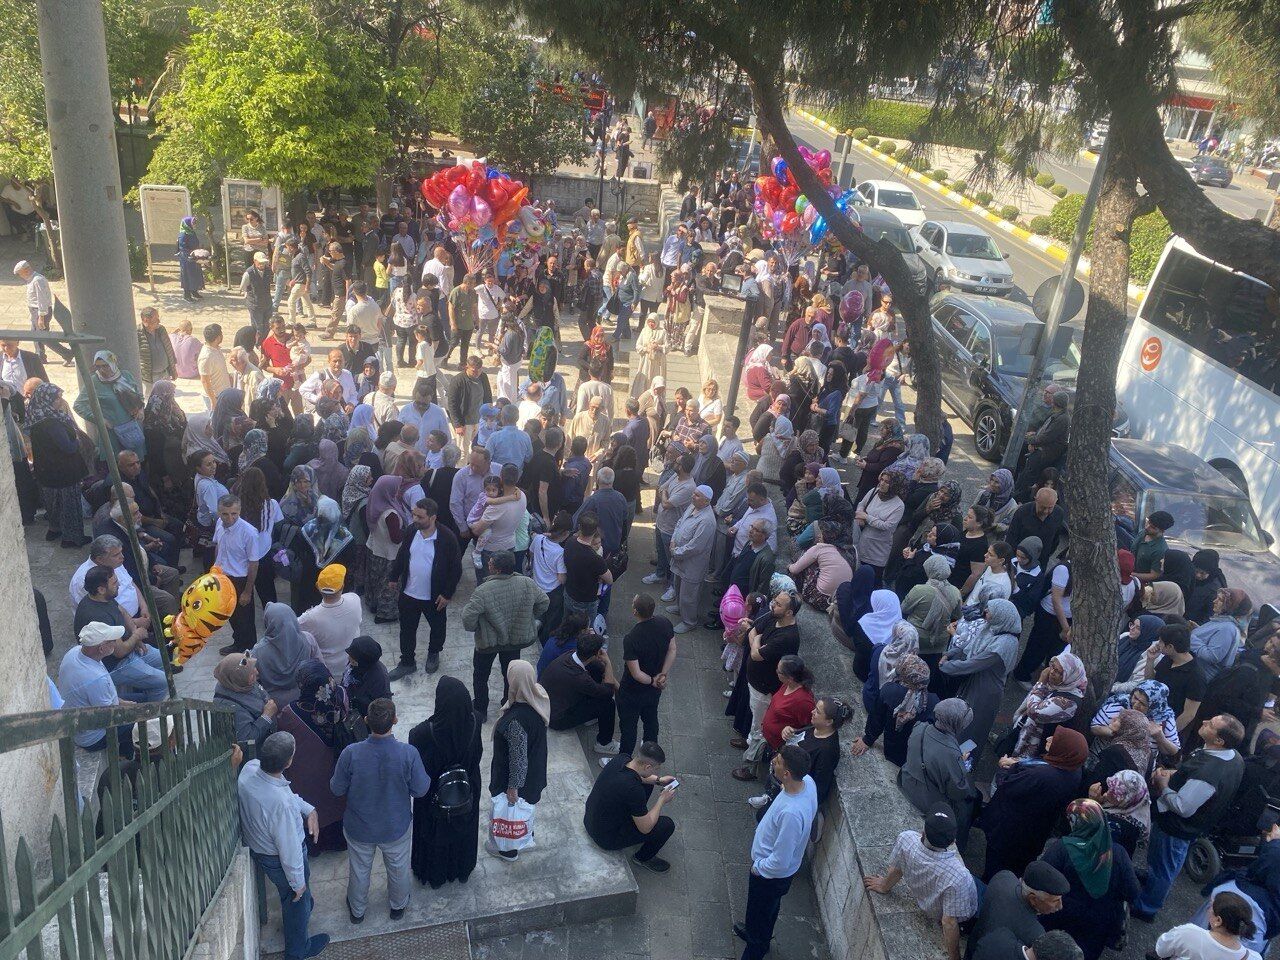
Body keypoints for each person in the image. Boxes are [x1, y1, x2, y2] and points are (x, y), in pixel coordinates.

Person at [1132, 714, 1247, 920]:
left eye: (1210, 724)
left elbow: (1182, 807)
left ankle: (1146, 907)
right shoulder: (1233, 757)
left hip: (1176, 827)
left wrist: (1163, 785)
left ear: (1219, 740)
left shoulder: (1209, 774)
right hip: (1196, 825)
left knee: (1164, 867)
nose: (1204, 721)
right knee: (1165, 863)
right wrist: (1174, 773)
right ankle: (1150, 878)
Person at [329, 698, 429, 923]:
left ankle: (357, 911)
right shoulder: (408, 753)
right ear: (395, 720)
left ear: (366, 721)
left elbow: (336, 789)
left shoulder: (350, 753)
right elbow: (421, 789)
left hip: (359, 828)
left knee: (359, 870)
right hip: (396, 827)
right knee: (398, 868)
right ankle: (398, 907)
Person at [237, 732, 330, 960]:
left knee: (299, 898)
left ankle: (304, 905)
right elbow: (290, 852)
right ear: (289, 762)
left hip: (260, 848)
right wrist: (298, 884)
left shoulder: (250, 768)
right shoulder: (282, 806)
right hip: (278, 858)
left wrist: (309, 809)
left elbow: (286, 792)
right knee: (295, 898)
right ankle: (298, 951)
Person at [863, 803, 979, 960]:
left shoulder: (906, 839)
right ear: (952, 842)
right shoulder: (959, 876)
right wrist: (955, 957)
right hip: (966, 916)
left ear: (923, 832)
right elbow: (949, 922)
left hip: (930, 904)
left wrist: (884, 885)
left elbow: (897, 869)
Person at [734, 745, 818, 960]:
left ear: (787, 774)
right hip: (778, 875)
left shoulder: (791, 813)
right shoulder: (807, 782)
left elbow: (780, 860)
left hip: (769, 876)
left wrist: (758, 868)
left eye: (778, 762)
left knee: (759, 915)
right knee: (767, 911)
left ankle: (754, 949)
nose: (773, 761)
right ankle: (760, 938)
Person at [1038, 798, 1141, 960]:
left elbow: (1041, 878)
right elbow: (1133, 892)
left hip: (1058, 915)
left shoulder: (1062, 847)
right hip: (1098, 923)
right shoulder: (1118, 853)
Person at [981, 729, 1089, 881]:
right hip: (1034, 833)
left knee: (996, 870)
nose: (1048, 738)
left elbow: (1006, 785)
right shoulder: (1072, 769)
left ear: (1064, 749)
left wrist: (1004, 768)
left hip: (1010, 831)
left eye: (1055, 740)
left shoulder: (1041, 776)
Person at [409, 676, 483, 887]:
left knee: (435, 835)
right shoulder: (476, 721)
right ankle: (462, 868)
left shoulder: (421, 733)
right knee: (464, 830)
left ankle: (434, 874)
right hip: (467, 786)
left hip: (434, 794)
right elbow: (477, 754)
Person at [463, 550, 549, 716]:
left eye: (490, 564)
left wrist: (478, 628)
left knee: (481, 675)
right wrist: (529, 617)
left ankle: (480, 708)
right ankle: (507, 703)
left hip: (488, 644)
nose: (488, 565)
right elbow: (544, 602)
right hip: (515, 641)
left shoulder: (483, 590)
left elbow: (468, 620)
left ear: (497, 570)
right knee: (510, 674)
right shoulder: (526, 583)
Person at [939, 598, 1023, 766]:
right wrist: (948, 654)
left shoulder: (1005, 644)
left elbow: (974, 663)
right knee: (962, 720)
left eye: (989, 611)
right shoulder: (992, 628)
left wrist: (946, 666)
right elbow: (968, 646)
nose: (985, 613)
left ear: (1001, 616)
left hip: (985, 692)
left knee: (973, 727)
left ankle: (963, 763)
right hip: (975, 683)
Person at [387, 498, 462, 679]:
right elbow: (403, 554)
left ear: (433, 517)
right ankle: (407, 662)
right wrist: (393, 577)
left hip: (434, 596)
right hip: (409, 594)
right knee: (406, 629)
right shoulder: (412, 531)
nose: (415, 519)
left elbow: (456, 569)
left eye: (420, 517)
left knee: (437, 627)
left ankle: (433, 653)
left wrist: (447, 594)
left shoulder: (447, 538)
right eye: (414, 515)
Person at [57, 622, 127, 814]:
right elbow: (111, 716)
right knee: (138, 724)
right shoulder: (95, 679)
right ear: (102, 648)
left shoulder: (75, 653)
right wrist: (133, 710)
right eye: (112, 641)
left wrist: (125, 703)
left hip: (82, 722)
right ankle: (129, 763)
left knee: (139, 706)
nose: (115, 643)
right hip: (93, 737)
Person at [488, 661, 550, 862]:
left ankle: (509, 850)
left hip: (518, 783)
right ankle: (526, 833)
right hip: (535, 773)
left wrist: (513, 788)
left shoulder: (515, 721)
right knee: (526, 811)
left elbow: (518, 758)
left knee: (512, 814)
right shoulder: (538, 698)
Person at [584, 741, 678, 873]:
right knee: (666, 825)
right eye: (656, 768)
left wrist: (659, 780)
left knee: (648, 784)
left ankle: (638, 815)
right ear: (647, 767)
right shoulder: (633, 790)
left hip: (591, 819)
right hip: (605, 837)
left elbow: (640, 777)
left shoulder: (621, 759)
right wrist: (662, 800)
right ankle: (643, 858)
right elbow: (645, 829)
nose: (657, 771)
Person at [966, 861, 1071, 960]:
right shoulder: (1034, 933)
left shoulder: (1004, 877)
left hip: (973, 945)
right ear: (1033, 899)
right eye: (1054, 901)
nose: (1060, 906)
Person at [616, 595, 677, 757]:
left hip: (632, 691)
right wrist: (662, 675)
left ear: (635, 611)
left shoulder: (632, 638)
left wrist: (652, 681)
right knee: (651, 719)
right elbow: (672, 649)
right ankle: (650, 753)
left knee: (629, 727)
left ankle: (624, 759)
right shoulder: (665, 623)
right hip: (654, 690)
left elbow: (636, 674)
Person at [543, 631, 620, 754]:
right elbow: (608, 692)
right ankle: (604, 743)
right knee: (608, 704)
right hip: (557, 718)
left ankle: (590, 715)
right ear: (595, 654)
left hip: (552, 703)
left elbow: (598, 667)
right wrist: (608, 663)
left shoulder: (570, 655)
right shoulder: (580, 678)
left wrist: (619, 688)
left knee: (595, 669)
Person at [213, 493, 261, 654]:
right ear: (219, 512)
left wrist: (247, 591)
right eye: (225, 514)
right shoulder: (219, 523)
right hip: (223, 577)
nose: (230, 518)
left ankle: (248, 648)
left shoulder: (249, 532)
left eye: (234, 513)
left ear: (239, 511)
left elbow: (254, 563)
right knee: (231, 614)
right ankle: (238, 642)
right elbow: (218, 546)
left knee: (245, 617)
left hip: (241, 580)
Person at [1154, 890, 1263, 960]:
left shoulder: (1188, 933)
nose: (1208, 909)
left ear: (1218, 920)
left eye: (1211, 906)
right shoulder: (1254, 958)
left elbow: (1161, 950)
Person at [298, 564, 364, 678]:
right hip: (352, 663)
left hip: (327, 672)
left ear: (317, 587)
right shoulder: (354, 599)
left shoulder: (309, 617)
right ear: (342, 586)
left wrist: (310, 611)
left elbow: (292, 629)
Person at [668, 484, 717, 633]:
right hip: (679, 555)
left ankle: (689, 621)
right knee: (677, 584)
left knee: (688, 594)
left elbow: (696, 546)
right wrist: (673, 541)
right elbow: (680, 522)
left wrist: (676, 551)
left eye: (697, 495)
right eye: (694, 493)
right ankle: (679, 607)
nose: (692, 496)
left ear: (706, 501)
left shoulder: (707, 520)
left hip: (692, 563)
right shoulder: (693, 506)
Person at [252, 602, 322, 706]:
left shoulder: (258, 651)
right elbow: (320, 667)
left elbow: (247, 679)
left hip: (271, 704)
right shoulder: (308, 640)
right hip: (303, 700)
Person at [342, 636, 389, 719]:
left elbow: (381, 707)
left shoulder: (379, 679)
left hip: (365, 715)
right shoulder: (355, 664)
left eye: (353, 658)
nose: (349, 658)